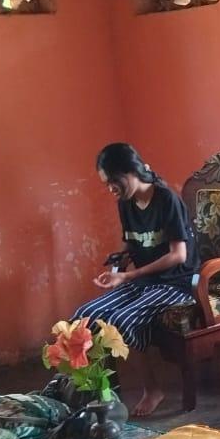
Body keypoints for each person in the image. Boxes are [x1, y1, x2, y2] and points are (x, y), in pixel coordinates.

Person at [72, 142, 199, 417]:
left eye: (113, 181)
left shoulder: (166, 199)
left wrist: (129, 275)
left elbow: (178, 255)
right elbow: (131, 242)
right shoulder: (126, 203)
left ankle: (152, 389)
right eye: (107, 184)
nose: (111, 189)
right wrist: (117, 268)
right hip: (143, 281)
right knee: (84, 317)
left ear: (130, 171)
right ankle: (104, 392)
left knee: (122, 320)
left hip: (175, 283)